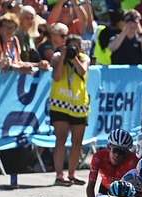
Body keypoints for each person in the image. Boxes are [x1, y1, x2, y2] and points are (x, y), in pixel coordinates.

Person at [48, 28, 90, 187]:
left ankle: (72, 174)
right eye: (70, 46)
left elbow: (82, 70)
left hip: (79, 105)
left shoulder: (83, 58)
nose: (74, 49)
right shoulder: (57, 57)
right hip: (60, 104)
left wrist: (74, 58)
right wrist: (64, 56)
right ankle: (59, 175)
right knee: (61, 140)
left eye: (76, 46)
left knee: (77, 142)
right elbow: (57, 77)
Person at [86, 128, 138, 197]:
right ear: (109, 147)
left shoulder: (134, 161)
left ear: (127, 153)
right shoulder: (98, 157)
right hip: (105, 188)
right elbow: (90, 186)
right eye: (115, 150)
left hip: (126, 191)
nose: (117, 155)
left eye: (121, 152)